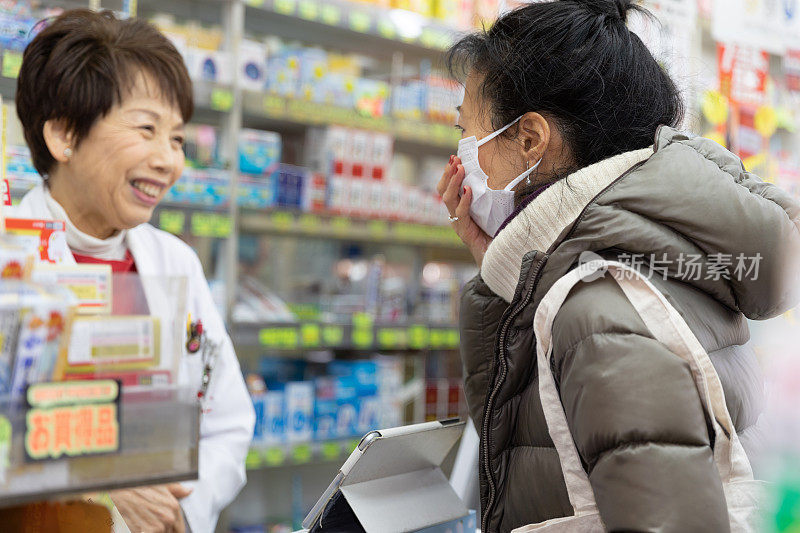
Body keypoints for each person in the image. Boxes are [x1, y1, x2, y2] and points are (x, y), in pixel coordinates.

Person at [437, 1, 800, 532]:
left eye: (467, 133)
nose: (463, 158)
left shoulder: (603, 310)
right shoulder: (659, 259)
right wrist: (508, 268)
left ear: (532, 141)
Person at [12, 10, 255, 533]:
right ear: (63, 135)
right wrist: (98, 480)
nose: (169, 160)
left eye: (177, 139)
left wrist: (181, 510)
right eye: (146, 129)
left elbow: (227, 420)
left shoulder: (175, 264)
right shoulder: (10, 257)